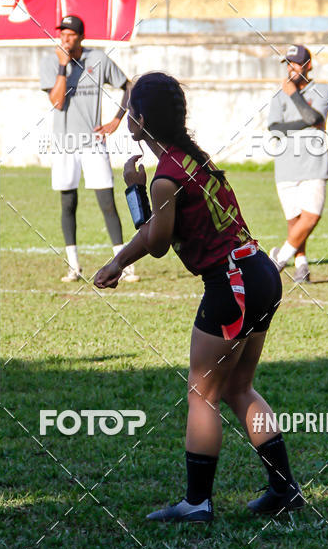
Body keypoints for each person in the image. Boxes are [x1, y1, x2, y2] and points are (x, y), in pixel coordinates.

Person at [94, 72, 304, 522]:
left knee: (202, 393)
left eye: (129, 108)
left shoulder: (165, 177)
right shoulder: (193, 159)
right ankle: (284, 489)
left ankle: (197, 502)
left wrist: (133, 193)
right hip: (260, 271)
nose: (126, 114)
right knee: (238, 387)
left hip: (232, 282)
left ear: (140, 118)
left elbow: (157, 241)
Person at [39, 14, 139, 283]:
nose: (65, 39)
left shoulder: (98, 59)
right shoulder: (51, 62)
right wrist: (63, 67)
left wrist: (117, 120)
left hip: (93, 142)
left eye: (70, 35)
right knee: (68, 202)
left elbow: (128, 86)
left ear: (81, 37)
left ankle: (124, 264)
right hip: (64, 143)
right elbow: (57, 102)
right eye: (62, 34)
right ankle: (73, 265)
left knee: (107, 203)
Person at [267, 44, 328, 283]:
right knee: (294, 220)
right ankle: (301, 265)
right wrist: (304, 123)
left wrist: (294, 94)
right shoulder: (278, 94)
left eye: (296, 63)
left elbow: (315, 118)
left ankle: (278, 258)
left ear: (308, 65)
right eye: (289, 63)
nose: (291, 68)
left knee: (311, 216)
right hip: (285, 164)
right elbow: (274, 127)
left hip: (314, 163)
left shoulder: (323, 89)